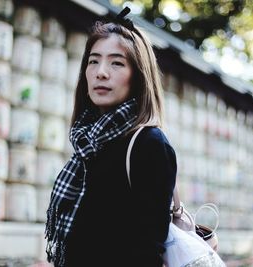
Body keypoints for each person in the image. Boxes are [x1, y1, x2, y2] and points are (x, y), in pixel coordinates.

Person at [45, 7, 177, 267]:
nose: (101, 72)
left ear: (138, 76)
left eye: (117, 63)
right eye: (93, 61)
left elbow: (148, 251)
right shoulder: (88, 144)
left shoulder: (148, 144)